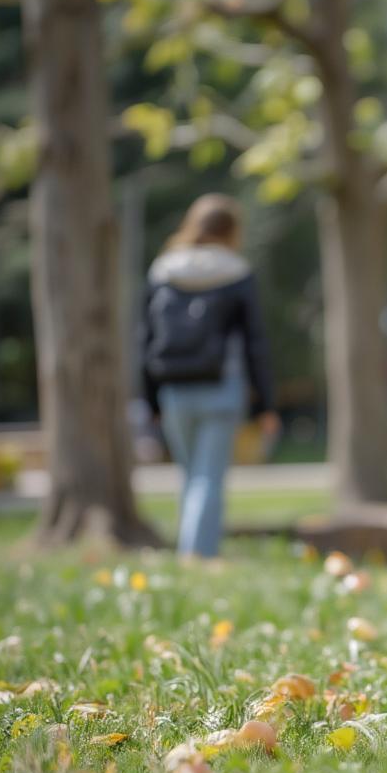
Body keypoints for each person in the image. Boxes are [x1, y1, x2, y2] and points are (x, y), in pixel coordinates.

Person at [141, 194, 278, 558]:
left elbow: (146, 338)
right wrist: (265, 403)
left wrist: (150, 398)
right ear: (232, 231)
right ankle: (198, 556)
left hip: (173, 388)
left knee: (191, 475)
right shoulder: (236, 272)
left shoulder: (163, 270)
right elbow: (255, 344)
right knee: (208, 477)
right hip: (221, 389)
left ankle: (190, 549)